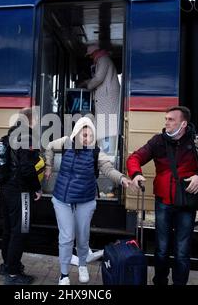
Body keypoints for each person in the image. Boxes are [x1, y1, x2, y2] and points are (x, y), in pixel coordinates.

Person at [126, 106, 198, 285]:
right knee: (161, 249)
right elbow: (134, 158)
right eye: (166, 119)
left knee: (182, 251)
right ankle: (160, 281)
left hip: (187, 204)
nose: (166, 123)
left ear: (183, 123)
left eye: (171, 119)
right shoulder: (158, 141)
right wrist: (135, 174)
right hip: (163, 202)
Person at [44, 117, 132, 285]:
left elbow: (108, 168)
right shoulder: (65, 142)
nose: (88, 139)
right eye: (84, 135)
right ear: (76, 133)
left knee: (83, 237)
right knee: (67, 237)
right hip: (62, 199)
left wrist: (122, 179)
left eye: (91, 135)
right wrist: (48, 166)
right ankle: (64, 274)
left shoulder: (96, 151)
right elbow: (49, 147)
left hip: (85, 200)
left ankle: (83, 264)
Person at [0, 107, 43, 285]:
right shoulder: (27, 136)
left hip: (5, 190)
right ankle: (13, 274)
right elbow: (26, 168)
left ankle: (7, 265)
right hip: (20, 192)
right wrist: (37, 188)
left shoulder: (9, 134)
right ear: (30, 120)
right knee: (20, 231)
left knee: (8, 229)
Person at [79, 43, 120, 154]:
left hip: (106, 100)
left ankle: (107, 154)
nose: (91, 57)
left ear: (94, 52)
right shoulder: (103, 60)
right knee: (105, 126)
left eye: (91, 55)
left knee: (106, 127)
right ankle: (105, 153)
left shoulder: (103, 60)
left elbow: (99, 78)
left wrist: (87, 85)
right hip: (106, 100)